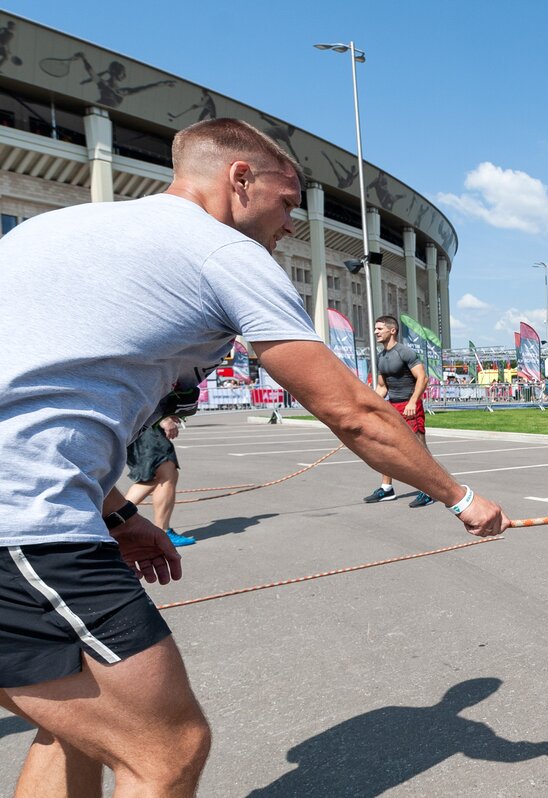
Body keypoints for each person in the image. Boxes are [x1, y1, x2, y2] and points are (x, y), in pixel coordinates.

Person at [0, 118, 508, 795]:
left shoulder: (52, 231)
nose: (291, 225)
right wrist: (463, 499)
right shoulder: (220, 253)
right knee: (167, 750)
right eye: (288, 201)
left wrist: (119, 514)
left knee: (76, 722)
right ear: (239, 180)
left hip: (40, 511)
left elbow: (30, 406)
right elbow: (350, 411)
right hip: (27, 527)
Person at [363, 315, 435, 508]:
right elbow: (382, 388)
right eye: (376, 329)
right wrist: (369, 406)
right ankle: (387, 489)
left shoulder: (405, 352)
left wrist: (413, 401)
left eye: (380, 329)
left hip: (410, 405)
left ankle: (429, 490)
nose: (376, 332)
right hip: (393, 407)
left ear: (392, 330)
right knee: (388, 447)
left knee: (419, 449)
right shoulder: (381, 357)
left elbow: (423, 378)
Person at [123, 410, 195, 549]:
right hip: (146, 426)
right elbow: (146, 392)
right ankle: (162, 531)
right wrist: (164, 418)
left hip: (138, 425)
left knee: (157, 477)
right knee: (164, 474)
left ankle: (112, 522)